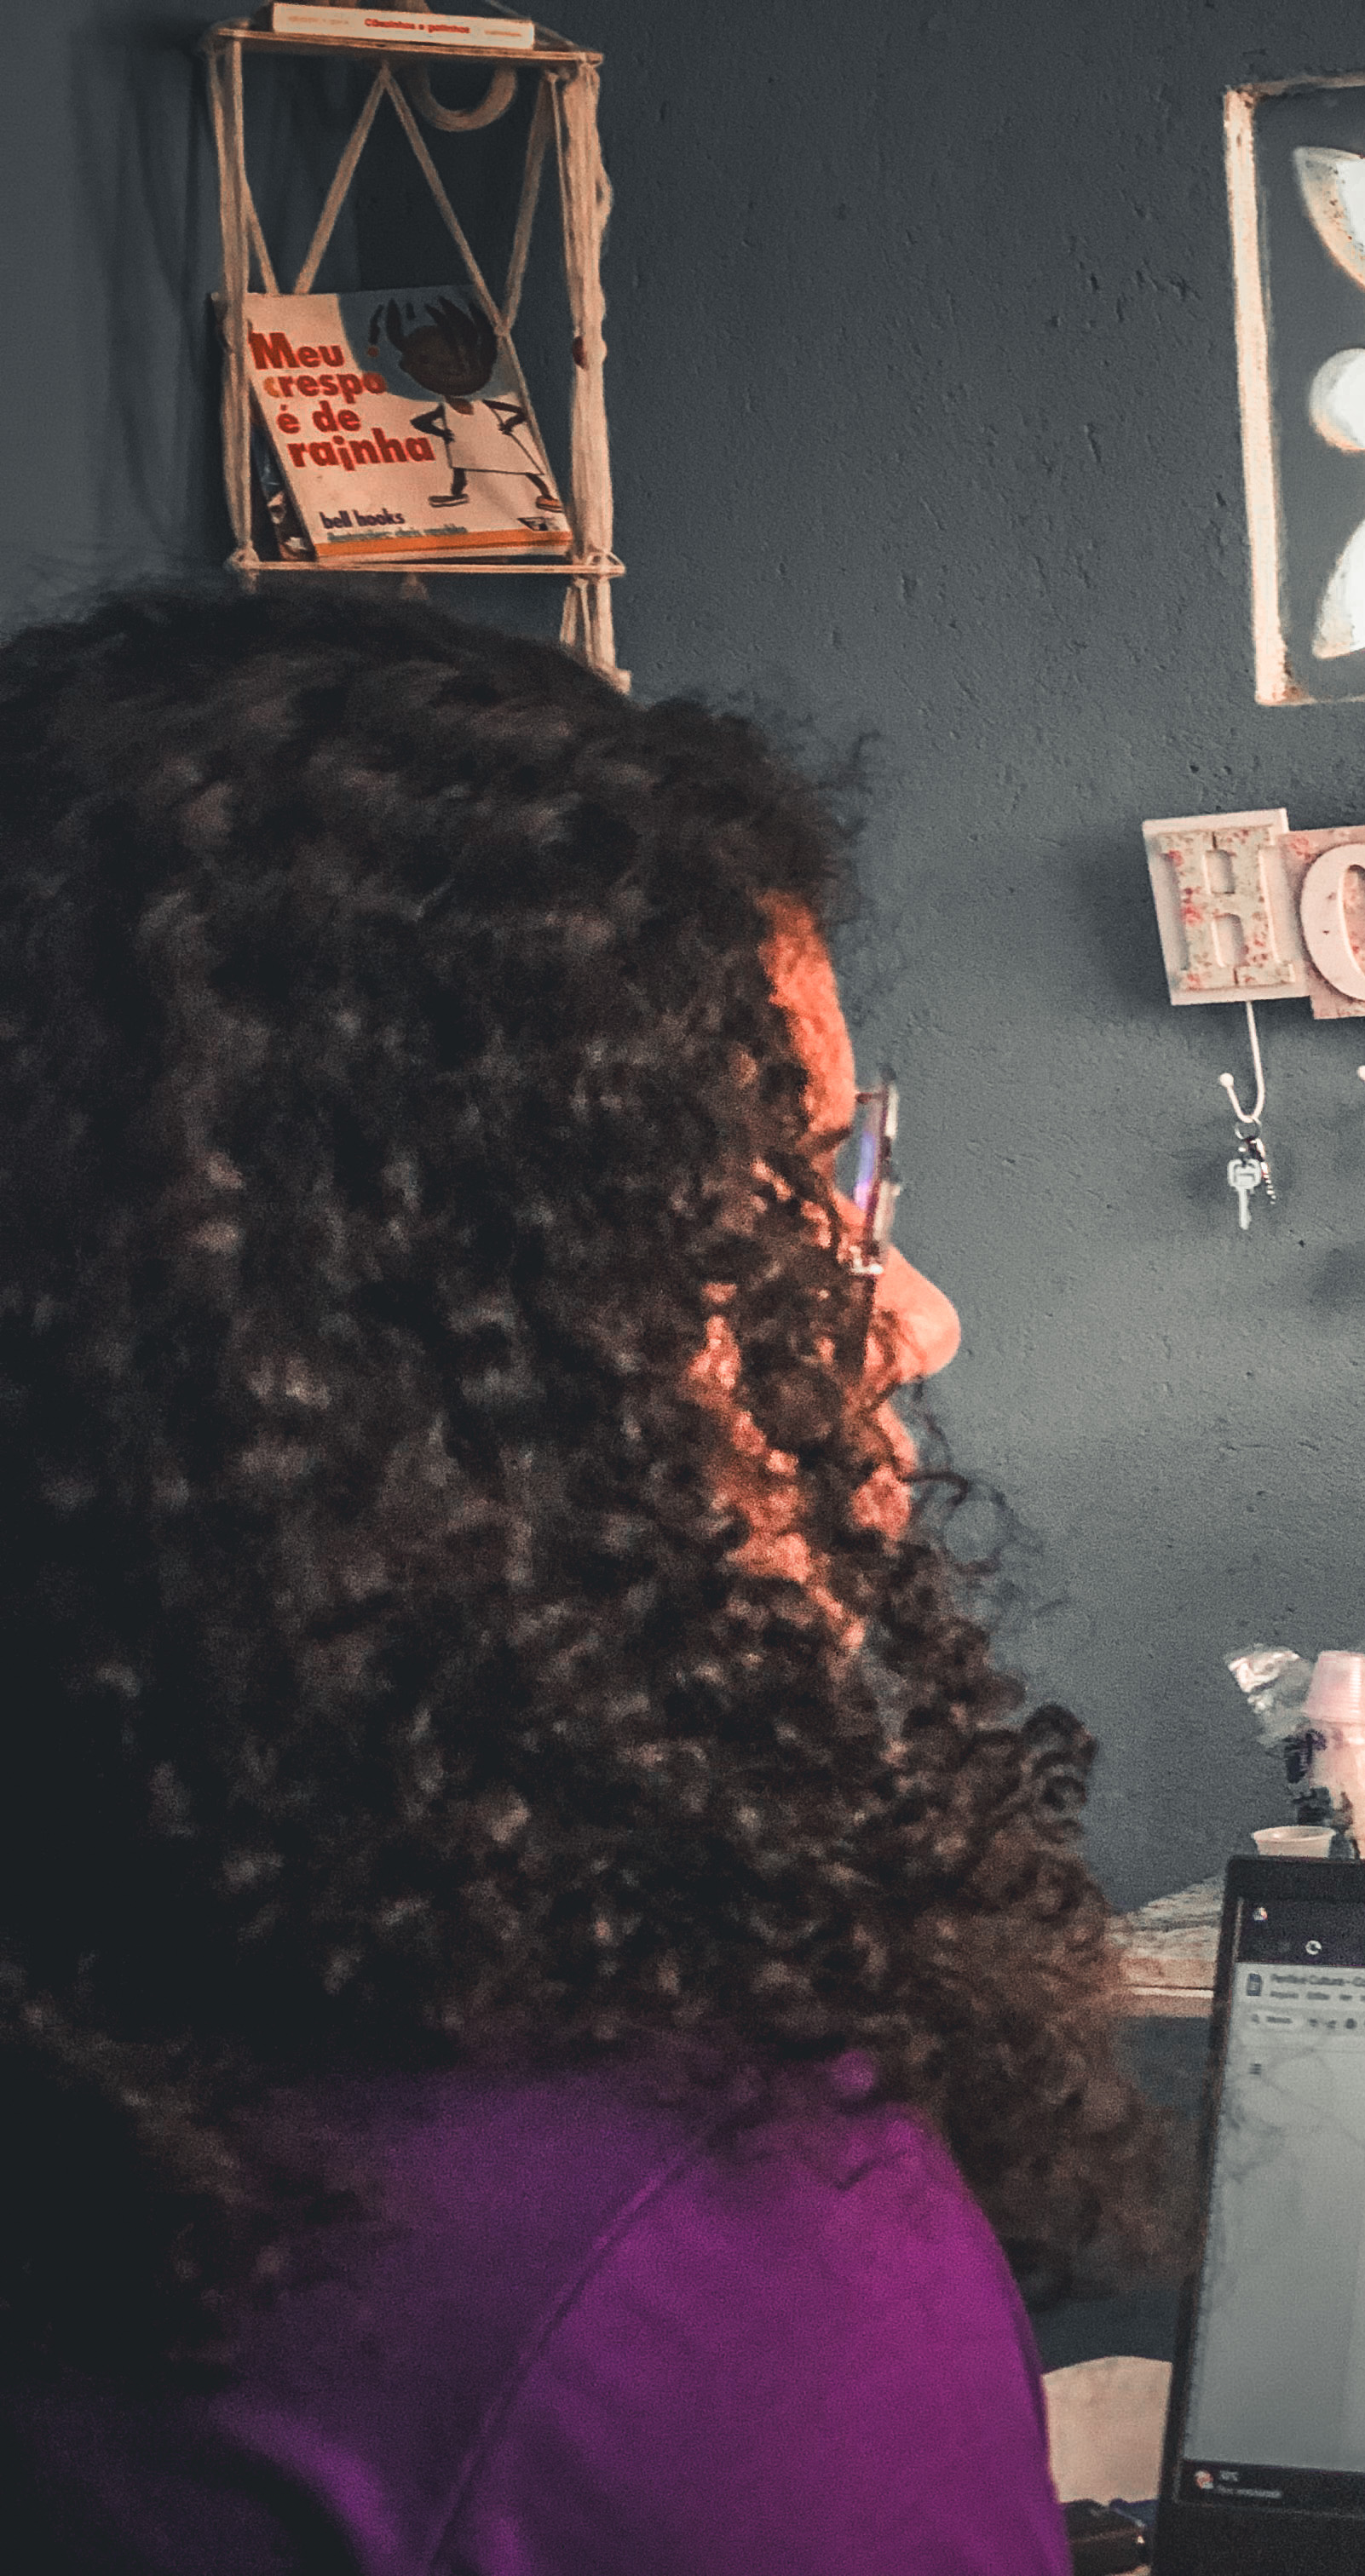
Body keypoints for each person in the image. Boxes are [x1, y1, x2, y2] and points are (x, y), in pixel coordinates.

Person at [0, 587, 1164, 2571]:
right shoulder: (702, 2280)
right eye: (768, 1210)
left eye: (854, 1176)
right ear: (361, 1358)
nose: (911, 1316)